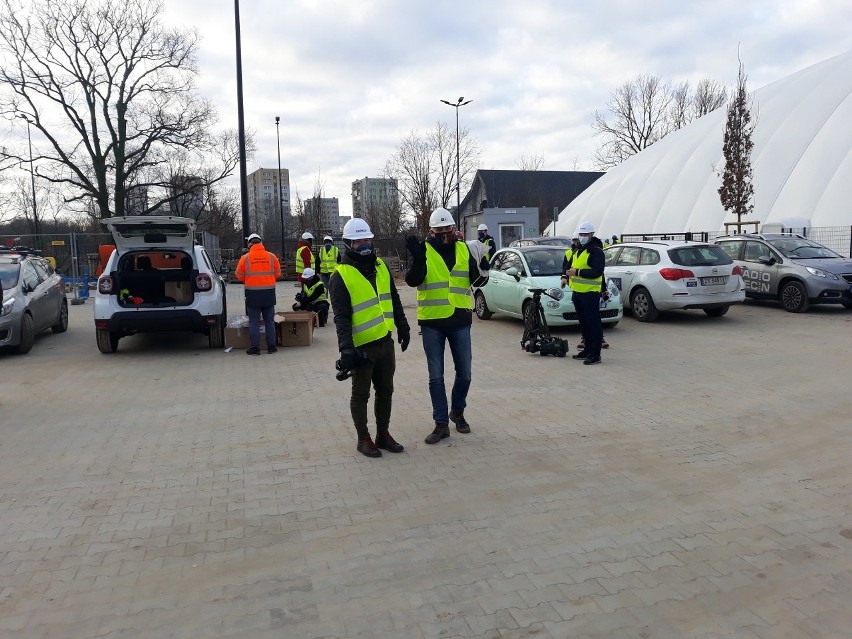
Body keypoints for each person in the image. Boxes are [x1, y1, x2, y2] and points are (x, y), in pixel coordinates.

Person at [405, 207, 491, 445]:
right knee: (436, 376)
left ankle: (458, 411)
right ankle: (441, 423)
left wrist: (484, 268)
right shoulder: (423, 250)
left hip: (460, 320)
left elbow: (478, 279)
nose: (444, 232)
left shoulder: (464, 249)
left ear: (454, 228)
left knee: (465, 373)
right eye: (439, 229)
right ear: (431, 230)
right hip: (433, 322)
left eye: (447, 228)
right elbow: (413, 281)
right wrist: (418, 259)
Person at [330, 218, 410, 458]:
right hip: (361, 348)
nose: (364, 245)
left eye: (367, 239)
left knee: (386, 390)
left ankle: (382, 434)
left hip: (385, 341)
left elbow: (393, 299)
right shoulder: (340, 276)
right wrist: (346, 349)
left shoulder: (381, 267)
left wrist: (403, 326)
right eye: (358, 241)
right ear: (348, 244)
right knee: (361, 394)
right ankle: (363, 438)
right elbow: (341, 318)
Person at [561, 221, 605, 365]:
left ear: (591, 235)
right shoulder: (578, 250)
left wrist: (577, 272)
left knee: (593, 324)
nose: (582, 237)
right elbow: (569, 265)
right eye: (581, 234)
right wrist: (565, 276)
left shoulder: (596, 251)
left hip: (590, 294)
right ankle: (587, 349)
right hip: (578, 293)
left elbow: (597, 271)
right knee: (584, 324)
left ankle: (595, 354)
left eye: (585, 234)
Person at [235, 233, 281, 355]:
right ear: (261, 242)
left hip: (253, 294)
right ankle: (272, 346)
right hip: (269, 293)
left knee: (254, 322)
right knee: (270, 321)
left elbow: (239, 276)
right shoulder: (272, 257)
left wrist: (249, 279)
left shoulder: (245, 258)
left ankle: (255, 348)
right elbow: (278, 274)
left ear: (250, 244)